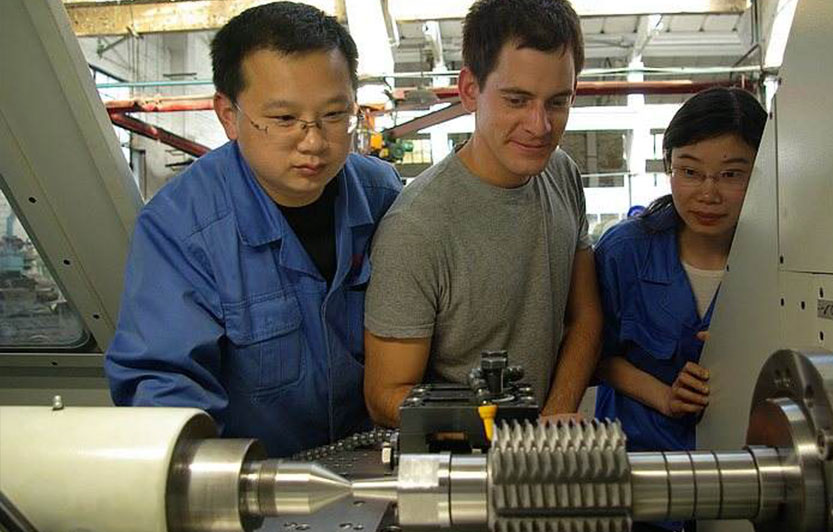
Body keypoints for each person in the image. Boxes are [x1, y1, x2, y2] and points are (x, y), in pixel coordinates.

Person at [104, 2, 402, 458]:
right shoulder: (180, 228)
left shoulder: (384, 197)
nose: (314, 141)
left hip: (379, 465)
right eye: (284, 119)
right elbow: (163, 387)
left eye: (334, 115)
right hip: (249, 484)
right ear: (228, 114)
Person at [363, 0, 602, 427]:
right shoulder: (416, 228)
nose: (540, 126)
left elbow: (585, 318)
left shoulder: (562, 173)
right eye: (517, 100)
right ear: (470, 90)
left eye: (557, 102)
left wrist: (553, 418)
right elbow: (385, 397)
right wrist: (502, 432)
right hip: (460, 458)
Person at [593, 86, 767, 532]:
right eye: (690, 171)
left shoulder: (782, 262)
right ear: (667, 163)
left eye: (732, 175)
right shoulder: (625, 251)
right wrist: (664, 396)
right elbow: (596, 356)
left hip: (746, 471)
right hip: (637, 470)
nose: (708, 193)